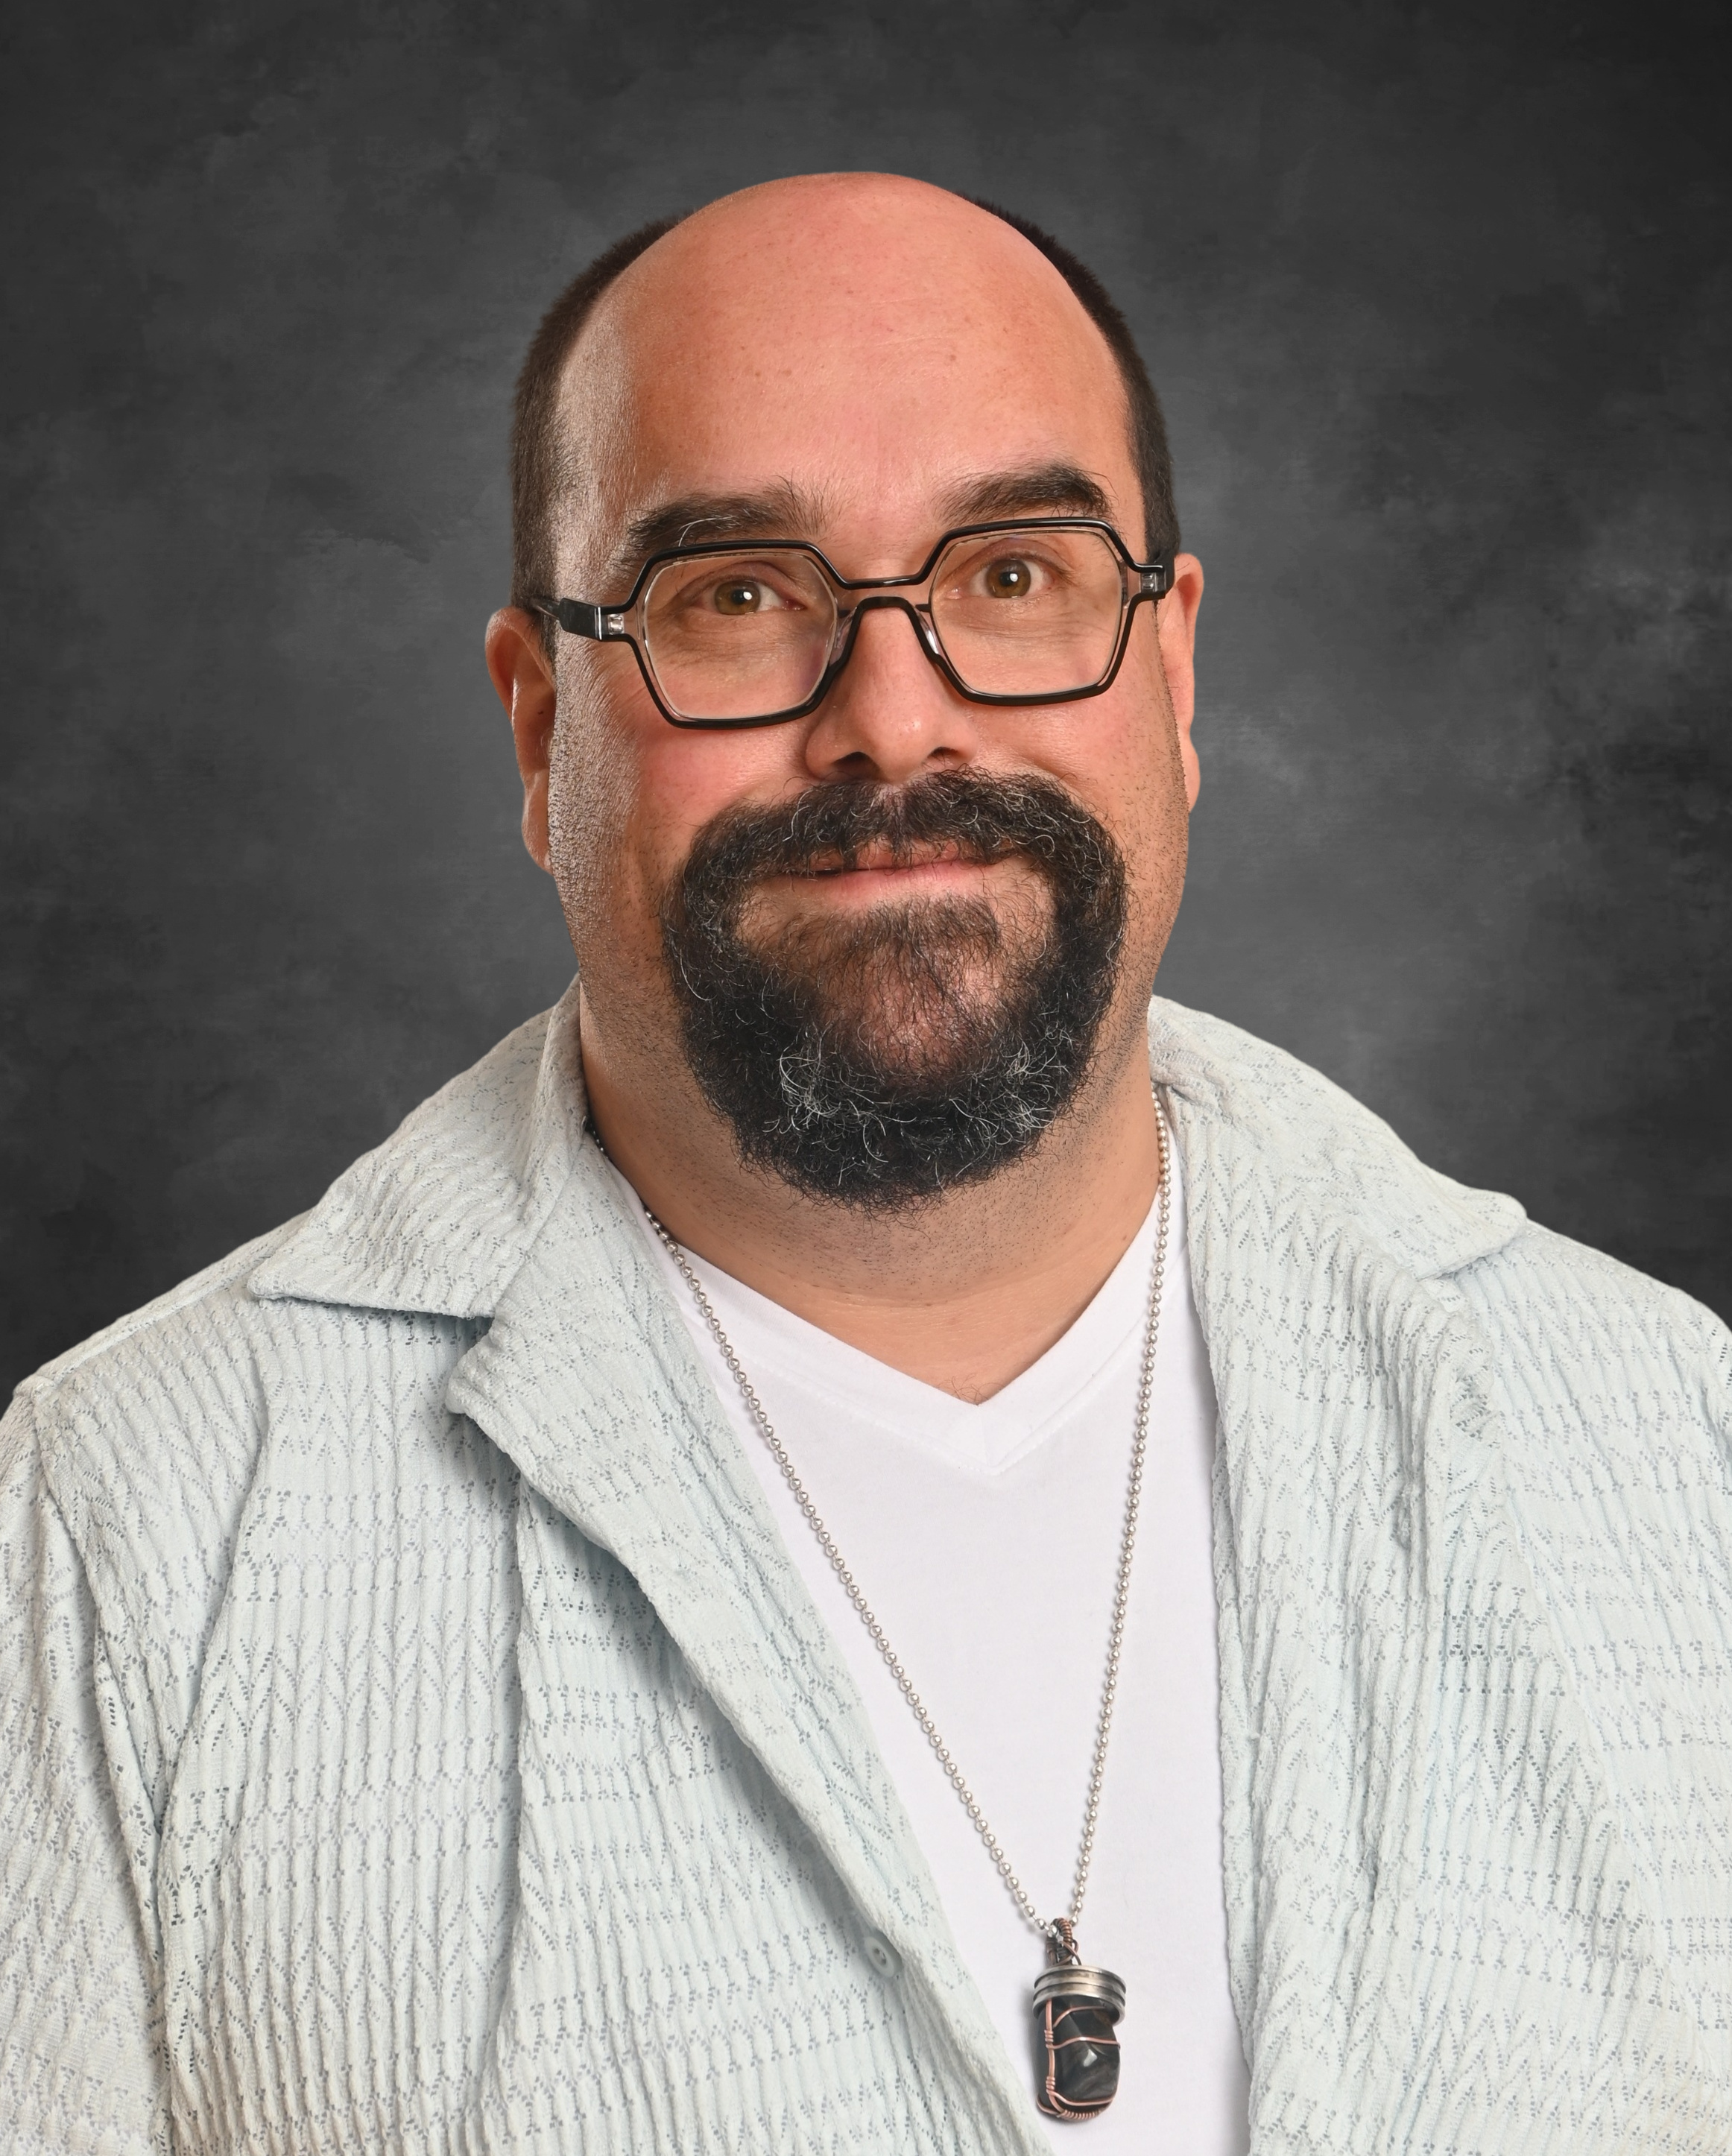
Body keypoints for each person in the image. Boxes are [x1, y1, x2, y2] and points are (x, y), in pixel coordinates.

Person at [3, 173, 1728, 2156]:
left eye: (1013, 575)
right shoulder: (120, 1534)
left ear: (1169, 679)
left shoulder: (1674, 1449)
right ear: (541, 728)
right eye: (735, 595)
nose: (894, 724)